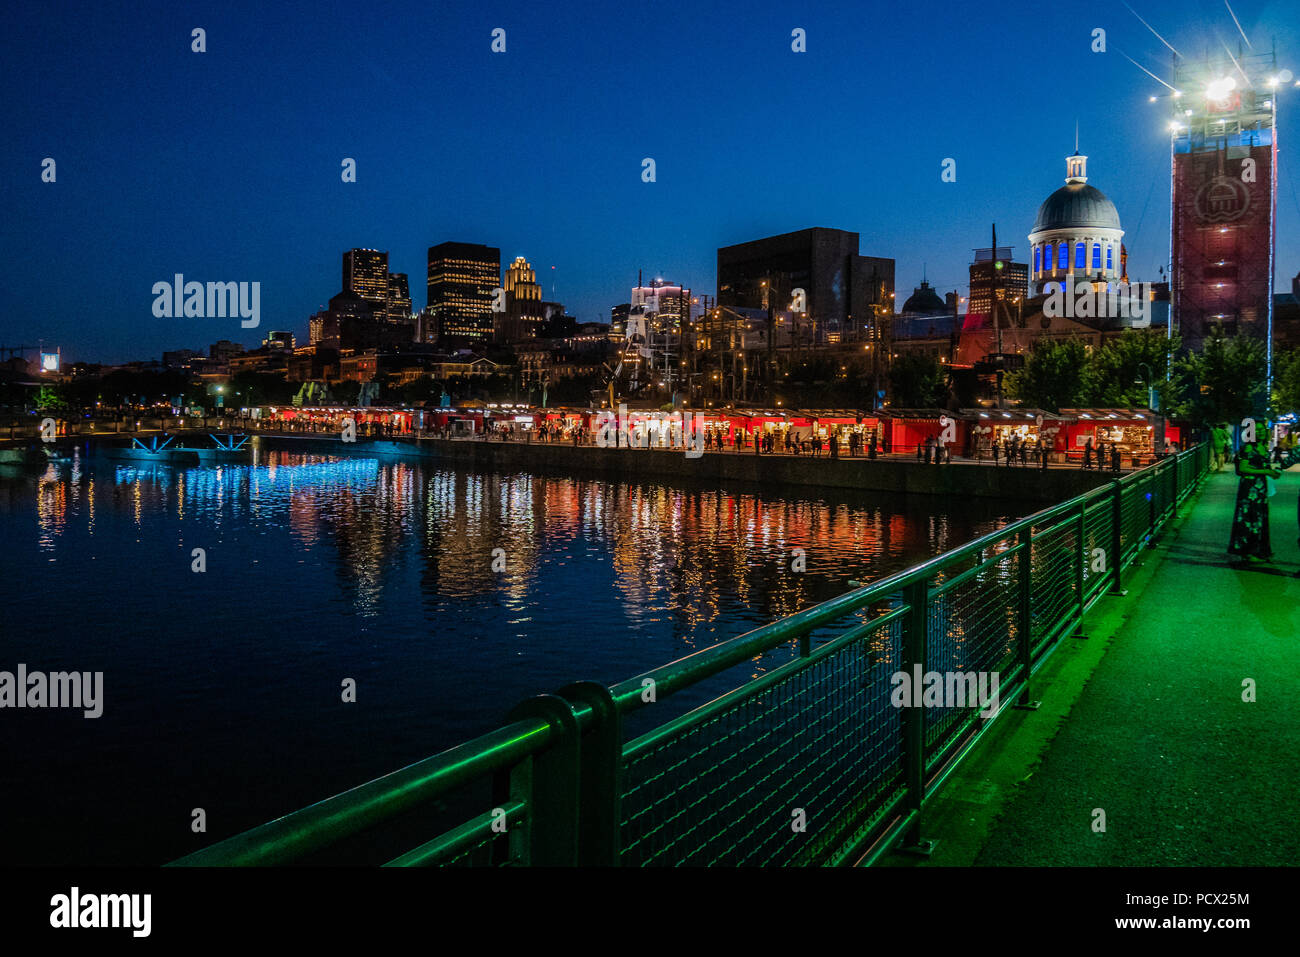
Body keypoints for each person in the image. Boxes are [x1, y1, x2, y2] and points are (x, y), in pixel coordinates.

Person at [1229, 433, 1282, 562]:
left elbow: (1263, 465)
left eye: (1262, 429)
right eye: (1256, 430)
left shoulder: (1263, 447)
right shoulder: (1248, 448)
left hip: (1260, 488)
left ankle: (1258, 550)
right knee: (1249, 518)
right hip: (1249, 487)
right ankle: (1247, 552)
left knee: (1260, 518)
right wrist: (1266, 472)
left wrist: (1272, 471)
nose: (1260, 433)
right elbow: (1243, 468)